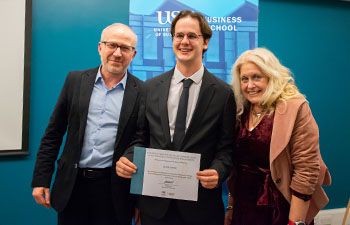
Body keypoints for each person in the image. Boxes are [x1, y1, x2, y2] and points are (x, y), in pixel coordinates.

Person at [116, 10, 236, 225]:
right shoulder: (150, 88)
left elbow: (226, 149)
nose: (184, 42)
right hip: (154, 207)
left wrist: (218, 171)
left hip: (201, 207)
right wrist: (128, 157)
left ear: (205, 42)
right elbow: (140, 138)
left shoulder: (224, 93)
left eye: (192, 36)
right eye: (179, 36)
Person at [31, 23, 144, 225]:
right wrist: (41, 179)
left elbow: (142, 139)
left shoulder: (143, 91)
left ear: (133, 54)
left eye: (125, 48)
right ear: (100, 47)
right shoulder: (75, 81)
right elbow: (53, 133)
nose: (117, 53)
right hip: (72, 186)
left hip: (114, 191)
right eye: (112, 45)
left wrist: (140, 201)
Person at [225, 47, 331, 225]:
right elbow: (237, 167)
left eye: (256, 77)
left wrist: (295, 222)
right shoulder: (241, 110)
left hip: (281, 207)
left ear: (271, 76)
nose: (250, 85)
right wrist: (231, 207)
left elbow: (307, 169)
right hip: (243, 206)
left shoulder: (295, 107)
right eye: (244, 79)